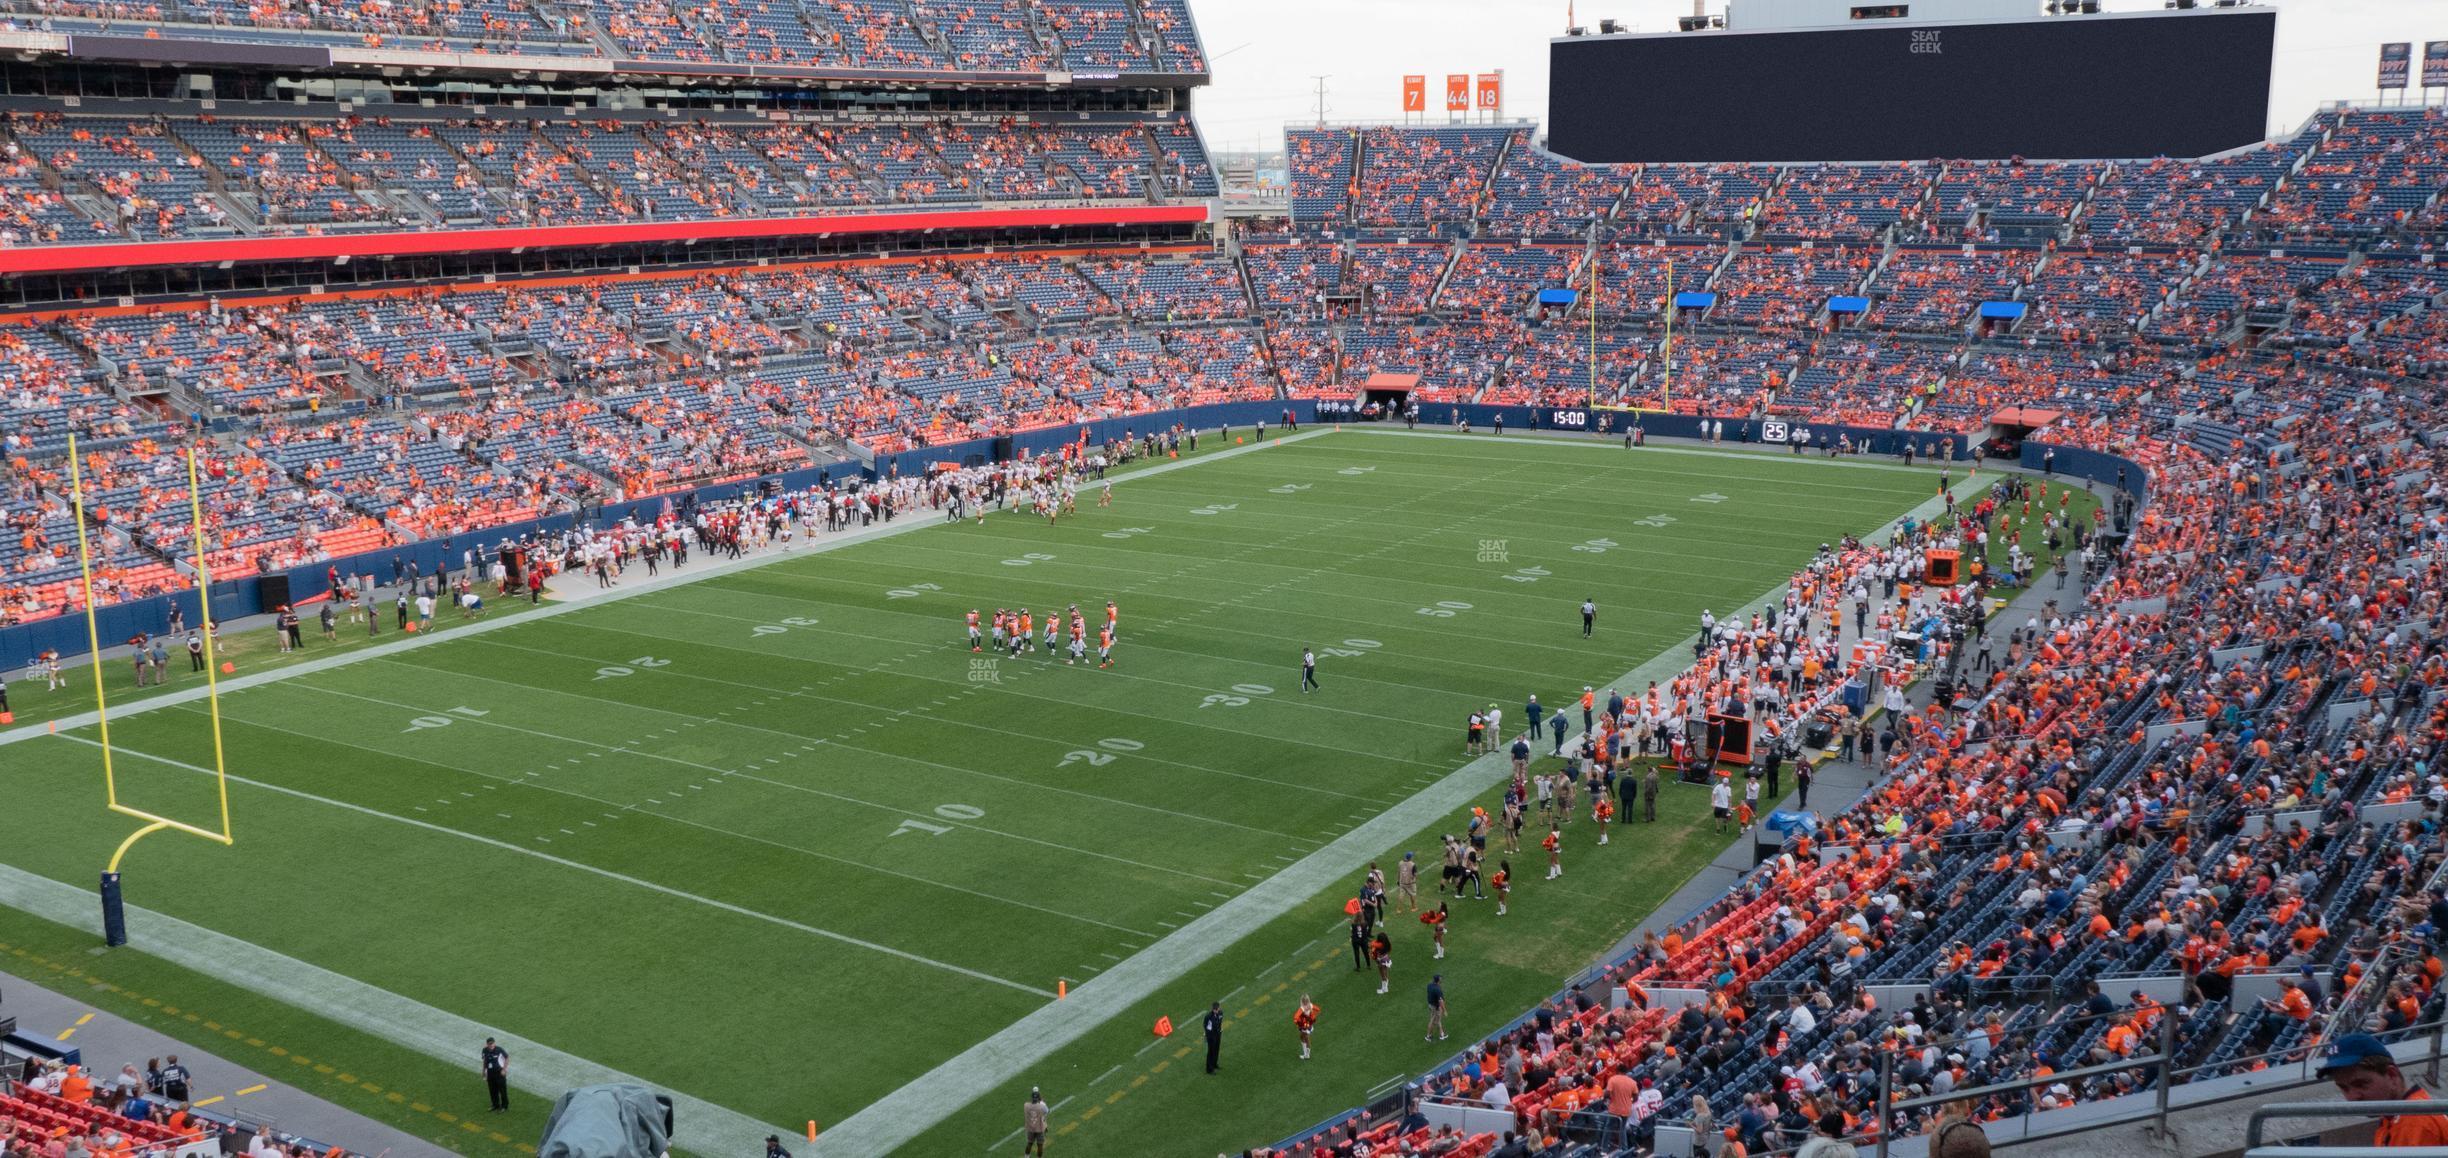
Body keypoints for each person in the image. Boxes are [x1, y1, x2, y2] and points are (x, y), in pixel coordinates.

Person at [2318, 1033, 2448, 1147]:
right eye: (2344, 1088)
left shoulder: (2415, 1124)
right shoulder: (2395, 1113)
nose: (2352, 1097)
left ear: (2391, 1075)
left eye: (2361, 1084)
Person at [480, 1037, 510, 1111]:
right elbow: (485, 1061)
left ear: (494, 1043)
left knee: (502, 1091)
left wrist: (504, 1069)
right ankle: (495, 1105)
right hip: (490, 1073)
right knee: (492, 1090)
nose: (491, 1045)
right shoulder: (484, 1050)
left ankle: (504, 1106)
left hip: (499, 1073)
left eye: (492, 1043)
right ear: (487, 1044)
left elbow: (507, 1058)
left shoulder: (499, 1050)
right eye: (490, 1044)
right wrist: (484, 1071)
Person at [1022, 1088, 1050, 1156]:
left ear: (1031, 1098)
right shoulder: (1041, 1106)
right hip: (1039, 1128)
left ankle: (1026, 1157)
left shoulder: (1026, 1105)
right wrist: (1042, 1101)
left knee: (1029, 1143)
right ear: (1039, 1098)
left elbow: (1029, 1105)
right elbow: (1047, 1111)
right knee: (1040, 1145)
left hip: (1030, 1128)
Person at [1293, 995, 1319, 1060]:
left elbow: (1295, 1017)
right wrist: (1312, 1015)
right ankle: (1306, 1054)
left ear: (1302, 1001)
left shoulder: (1302, 1008)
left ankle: (1306, 1055)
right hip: (1309, 1025)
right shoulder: (1310, 1005)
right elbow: (1318, 1009)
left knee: (1305, 1038)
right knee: (1303, 1037)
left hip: (1304, 1026)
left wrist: (1298, 1022)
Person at [1425, 973, 1448, 1042]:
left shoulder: (1429, 985)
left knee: (1437, 1020)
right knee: (1433, 1021)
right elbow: (1441, 1001)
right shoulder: (1438, 989)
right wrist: (1444, 1010)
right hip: (1435, 1007)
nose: (1441, 979)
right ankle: (1428, 1036)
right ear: (1438, 980)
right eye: (1440, 978)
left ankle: (1441, 1034)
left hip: (1431, 1005)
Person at [1203, 1001, 1224, 1074]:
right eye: (1215, 1009)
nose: (1216, 1010)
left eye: (1217, 1009)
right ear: (1213, 1009)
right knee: (1211, 1052)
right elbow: (1206, 1025)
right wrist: (1206, 1034)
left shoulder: (1221, 1013)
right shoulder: (1208, 1016)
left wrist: (1220, 1029)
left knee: (1216, 1049)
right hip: (1211, 1036)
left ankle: (1214, 1064)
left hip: (1218, 1034)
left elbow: (1219, 1022)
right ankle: (1209, 1069)